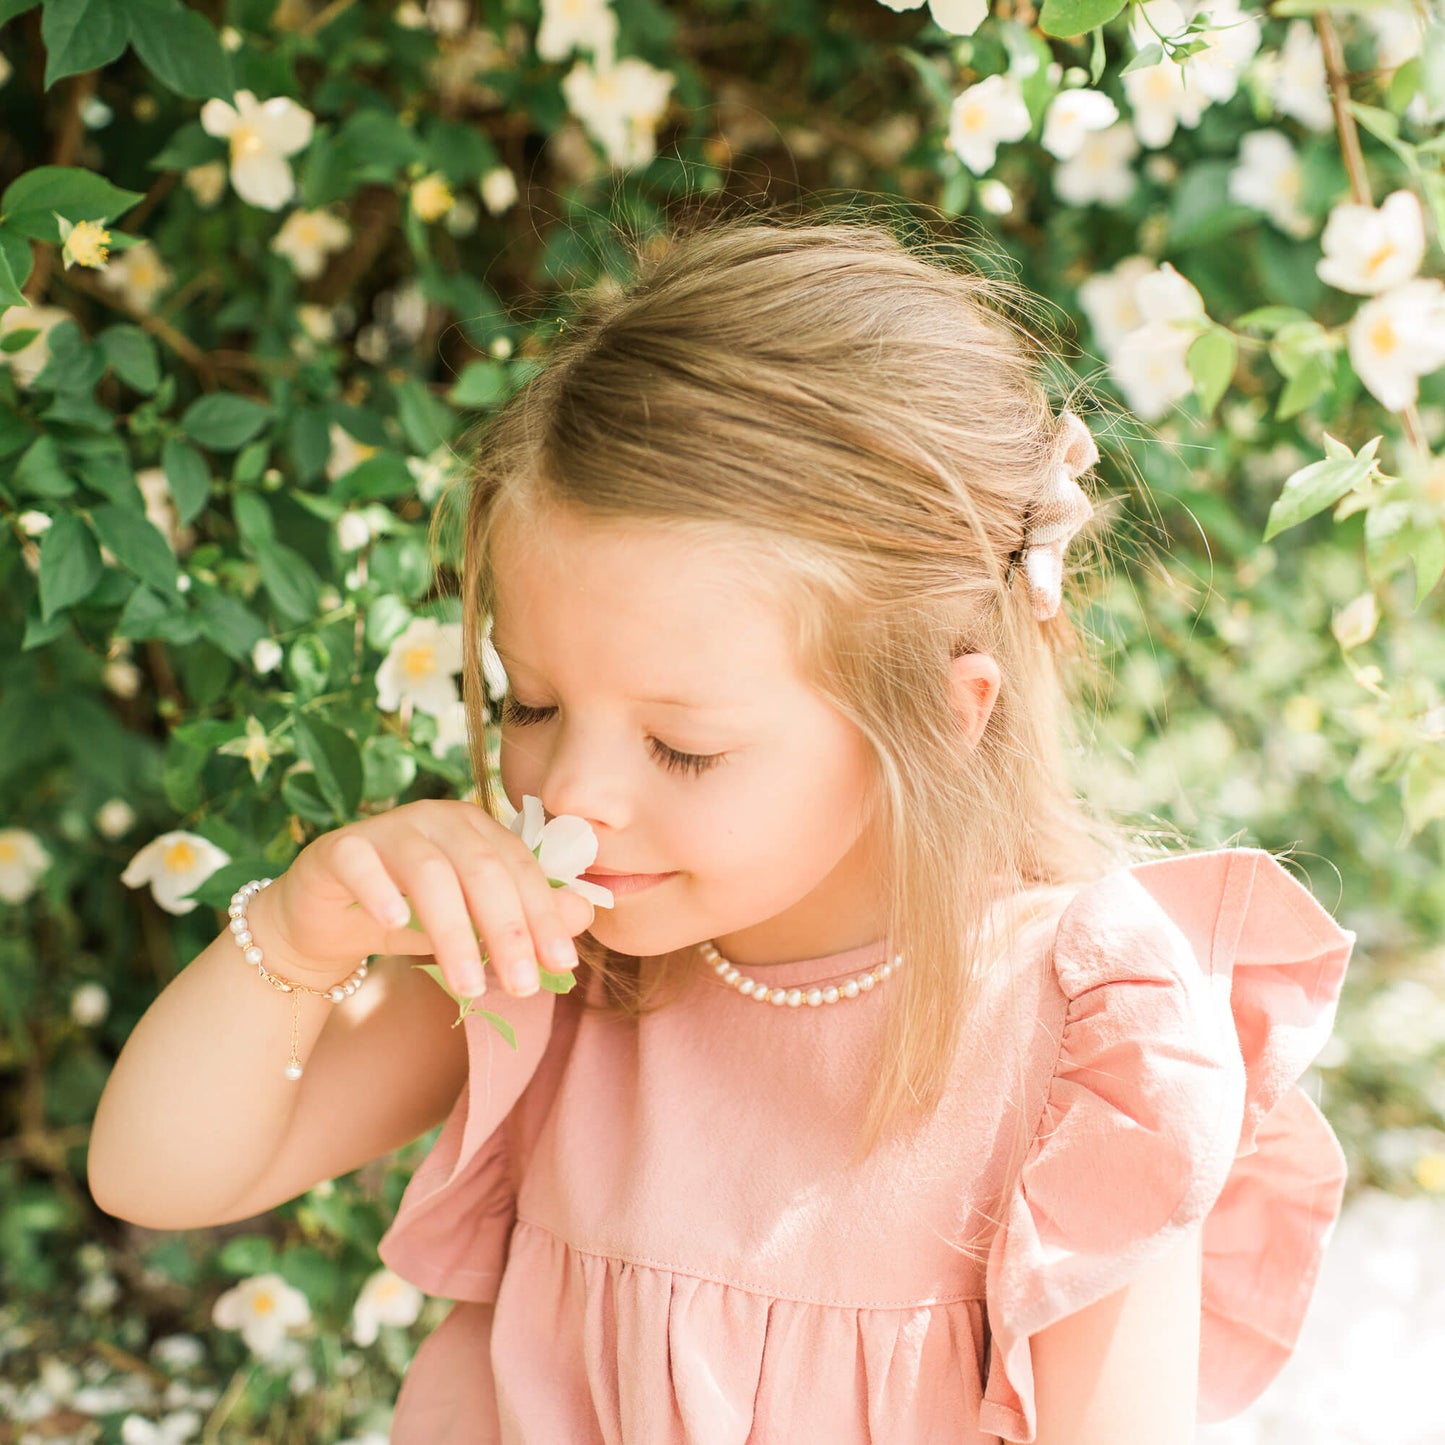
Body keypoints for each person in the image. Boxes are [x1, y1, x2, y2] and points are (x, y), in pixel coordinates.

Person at [87, 211, 1357, 1445]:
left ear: (935, 710)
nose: (570, 795)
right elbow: (159, 1174)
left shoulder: (1091, 1034)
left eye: (681, 744)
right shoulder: (560, 949)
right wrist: (306, 933)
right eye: (526, 701)